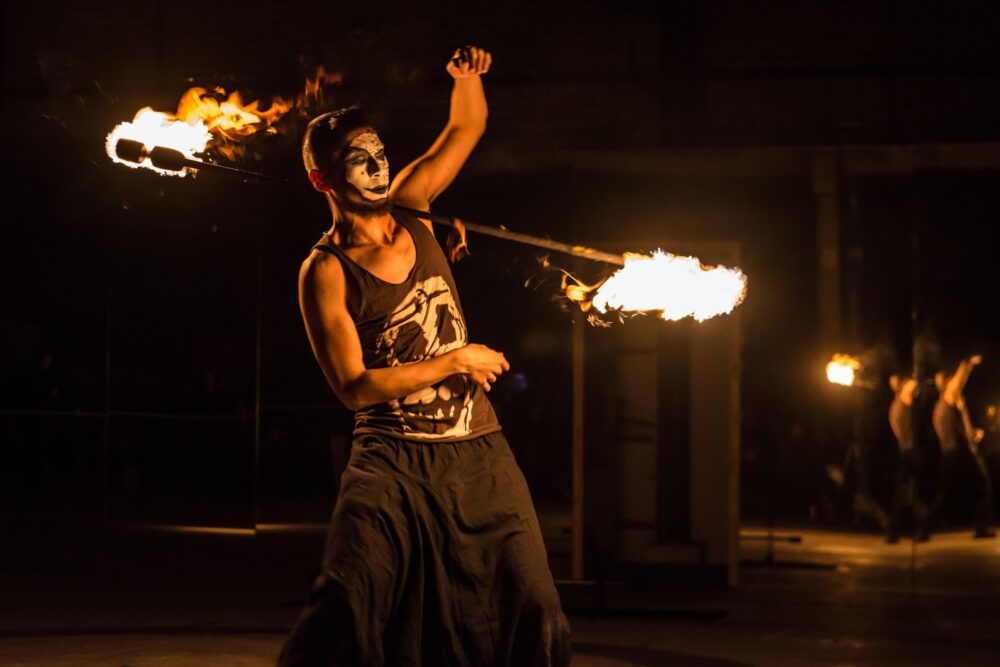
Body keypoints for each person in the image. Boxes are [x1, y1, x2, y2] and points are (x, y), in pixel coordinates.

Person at [278, 46, 571, 666]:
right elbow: (355, 388)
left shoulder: (414, 209)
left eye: (380, 153)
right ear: (322, 178)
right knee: (348, 603)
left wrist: (466, 81)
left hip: (479, 454)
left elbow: (465, 129)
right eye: (358, 160)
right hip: (392, 463)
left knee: (537, 606)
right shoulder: (324, 271)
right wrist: (452, 361)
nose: (379, 167)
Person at [923, 355, 995, 541]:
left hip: (953, 454)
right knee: (983, 485)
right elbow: (960, 379)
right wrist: (967, 363)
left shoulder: (945, 405)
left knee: (946, 493)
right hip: (961, 454)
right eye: (953, 381)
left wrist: (973, 434)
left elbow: (959, 429)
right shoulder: (948, 398)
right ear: (948, 383)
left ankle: (924, 531)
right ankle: (980, 528)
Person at [885, 373, 925, 542]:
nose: (913, 385)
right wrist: (908, 449)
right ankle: (895, 531)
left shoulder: (904, 405)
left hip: (910, 452)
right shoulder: (899, 406)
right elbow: (898, 430)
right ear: (902, 387)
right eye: (909, 383)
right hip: (907, 454)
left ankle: (897, 531)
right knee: (906, 494)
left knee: (910, 495)